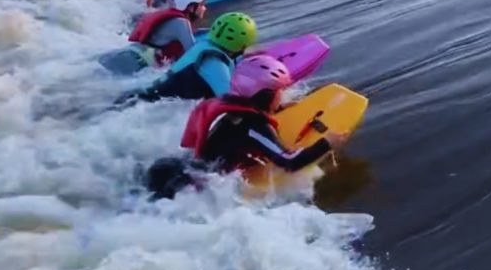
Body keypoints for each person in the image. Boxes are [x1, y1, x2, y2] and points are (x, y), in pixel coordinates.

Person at [144, 55, 349, 200]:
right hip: (188, 187)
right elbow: (289, 161)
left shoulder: (227, 105)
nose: (283, 95)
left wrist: (274, 111)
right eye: (280, 91)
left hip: (175, 167)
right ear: (266, 95)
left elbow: (236, 131)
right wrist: (326, 143)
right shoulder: (254, 126)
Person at [132, 11, 257, 102]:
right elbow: (230, 101)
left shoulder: (204, 45)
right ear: (241, 45)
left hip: (141, 98)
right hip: (145, 107)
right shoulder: (214, 63)